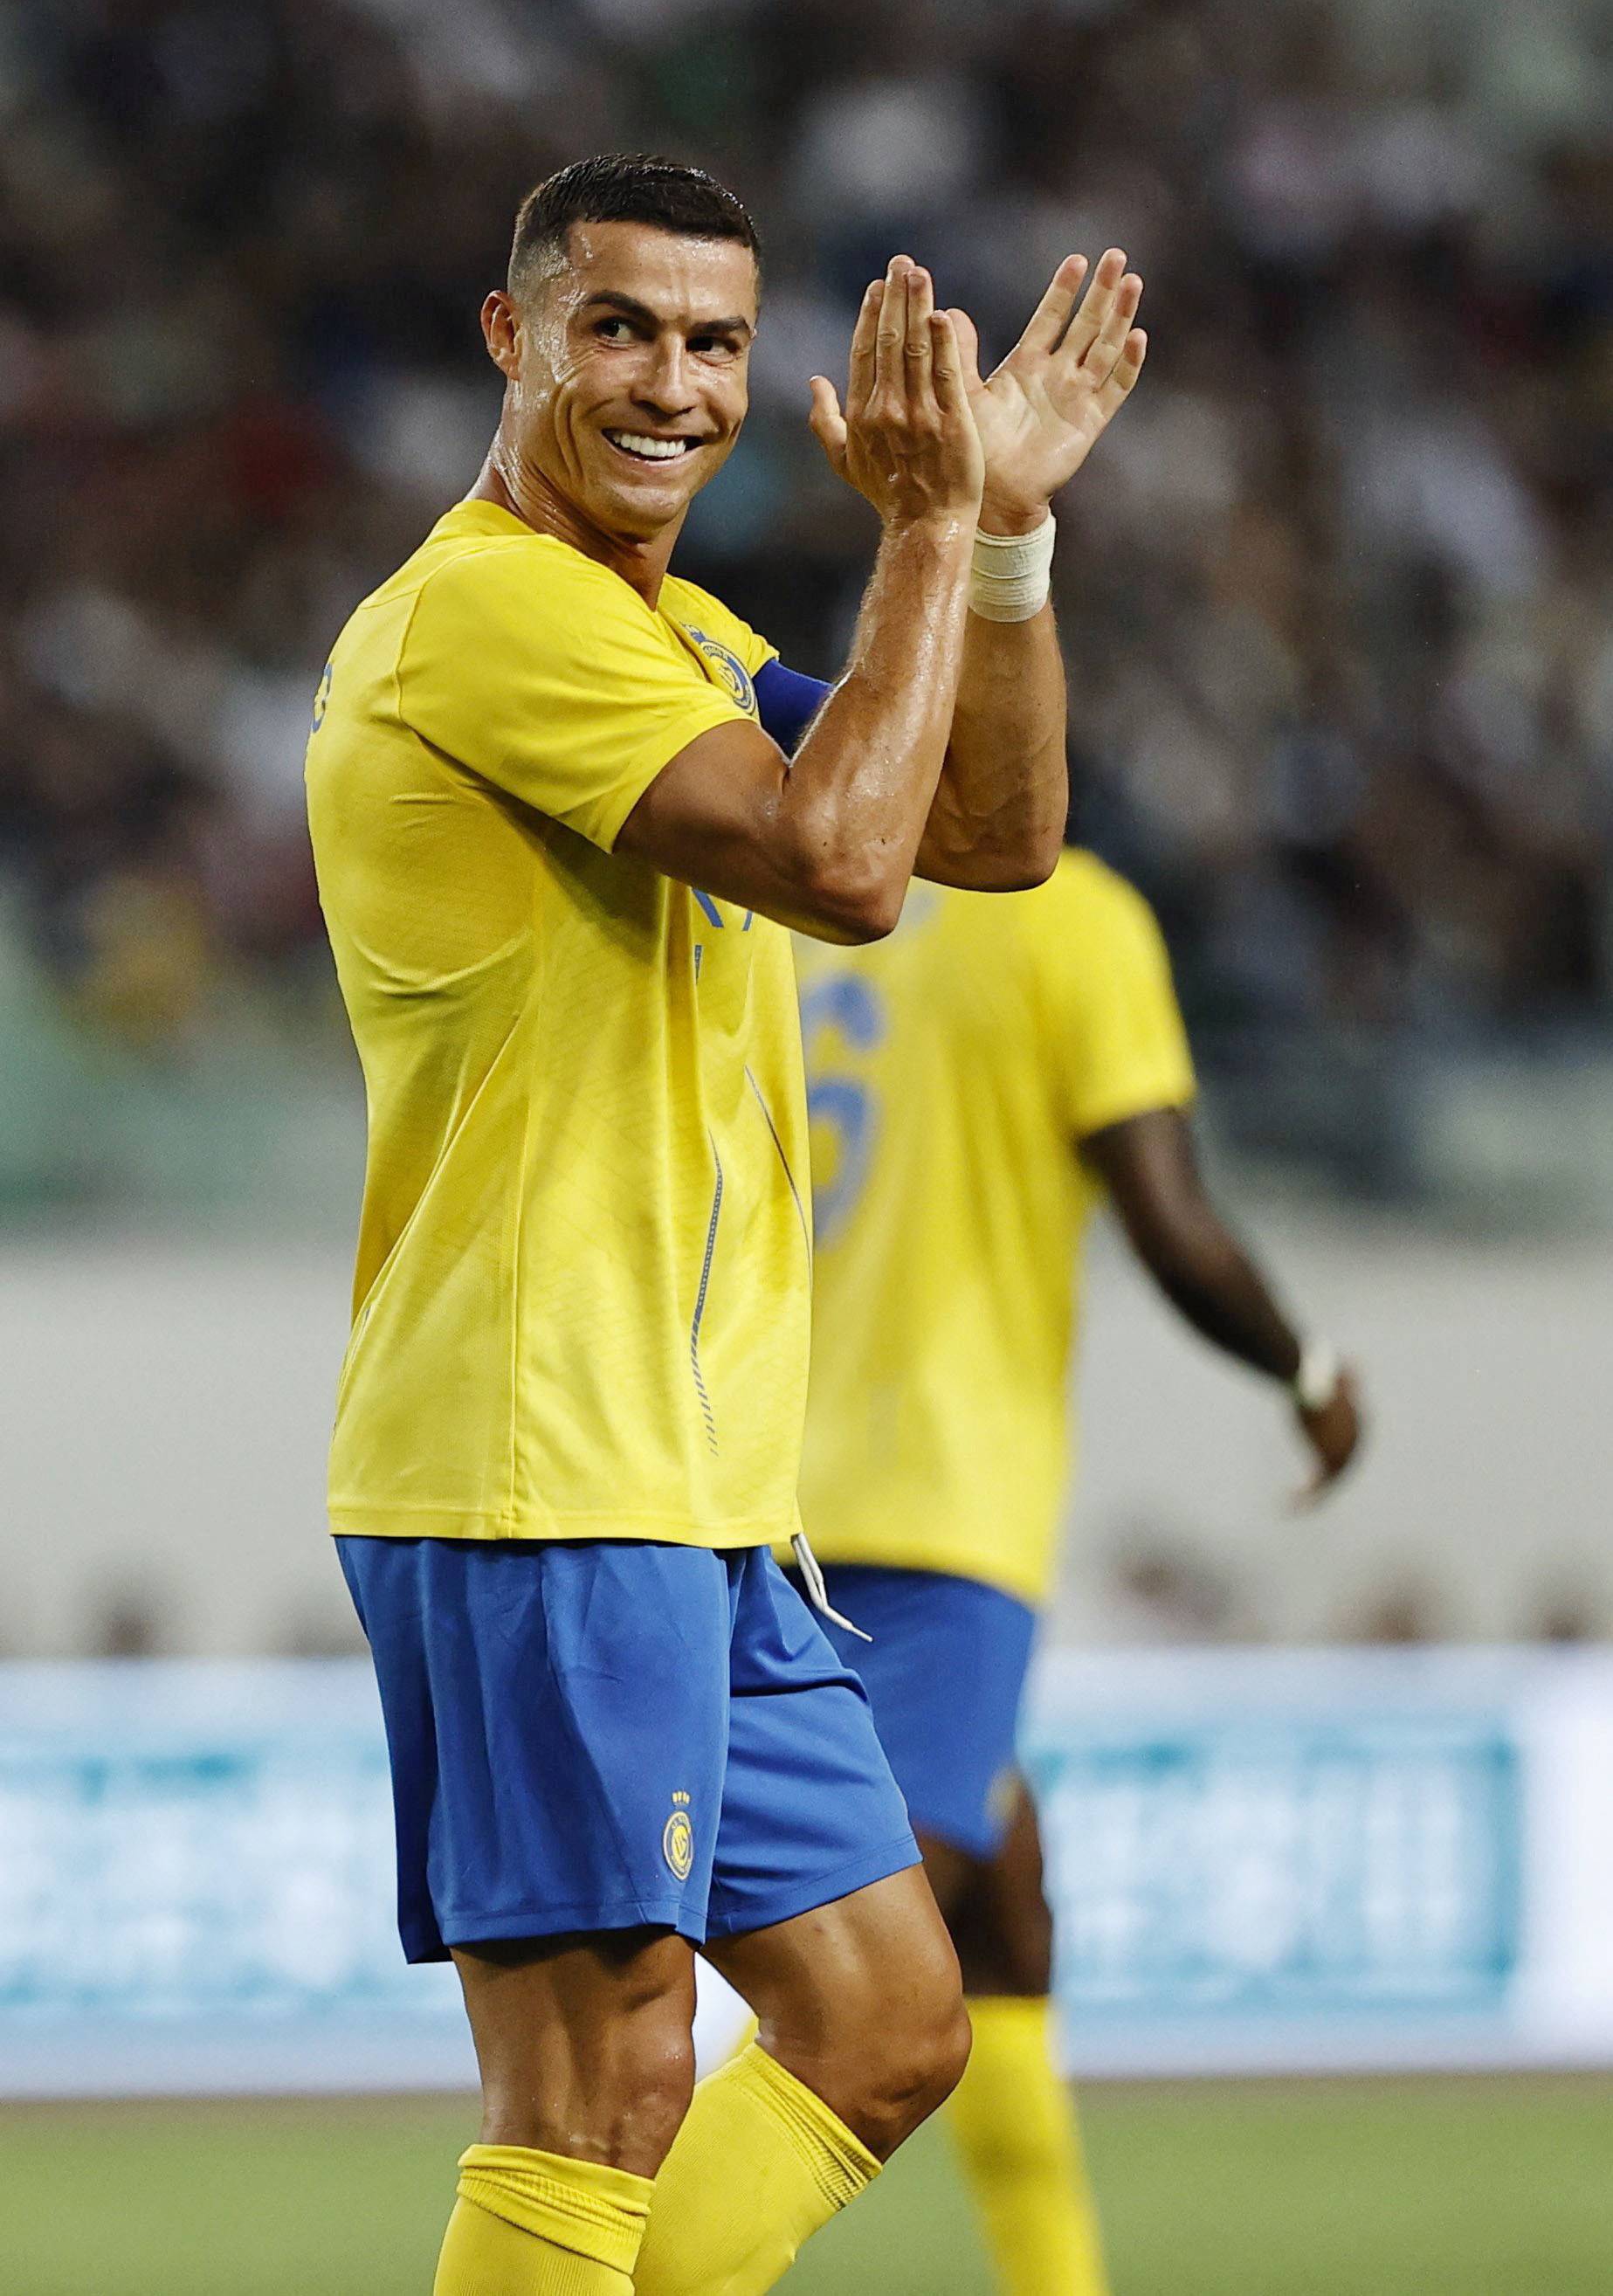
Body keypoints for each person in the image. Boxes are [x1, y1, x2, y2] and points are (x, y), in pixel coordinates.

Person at [305, 151, 1148, 2296]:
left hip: (690, 1488)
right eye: (616, 326)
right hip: (536, 1462)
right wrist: (930, 523)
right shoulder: (488, 614)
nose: (671, 381)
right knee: (599, 2091)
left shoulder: (670, 633)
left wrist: (1014, 538)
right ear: (511, 341)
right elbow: (849, 871)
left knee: (886, 2022)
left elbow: (989, 833)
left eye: (707, 338)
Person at [793, 852, 1365, 2296]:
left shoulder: (805, 899)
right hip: (937, 1512)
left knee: (1004, 1921)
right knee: (853, 2008)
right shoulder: (1076, 921)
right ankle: (623, 2266)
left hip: (773, 1493)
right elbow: (1168, 1216)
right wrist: (1305, 1369)